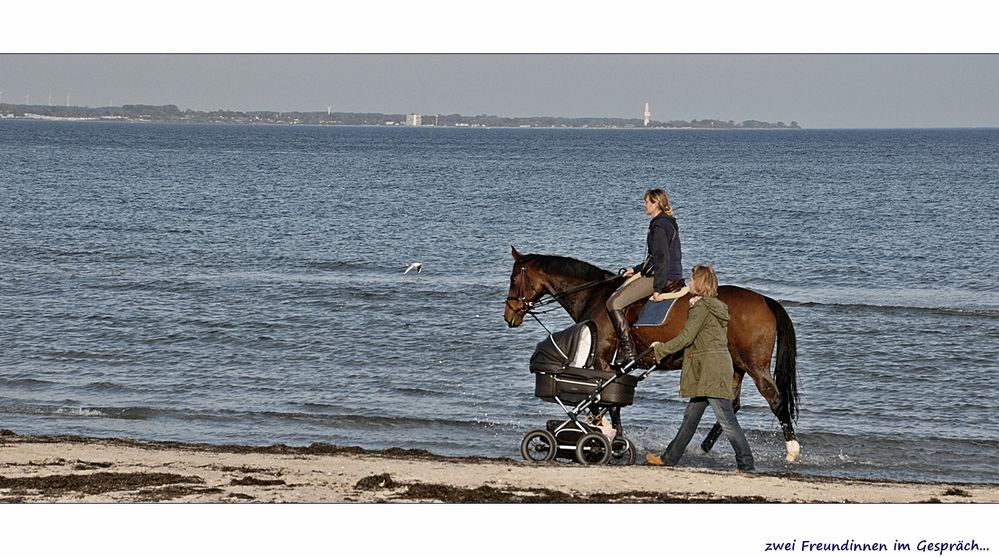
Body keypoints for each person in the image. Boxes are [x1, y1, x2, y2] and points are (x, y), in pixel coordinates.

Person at [646, 264, 755, 472]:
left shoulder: (701, 307)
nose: (688, 282)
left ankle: (746, 464)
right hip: (711, 368)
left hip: (710, 371)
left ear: (699, 283)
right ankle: (669, 459)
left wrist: (660, 349)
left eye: (691, 279)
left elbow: (686, 337)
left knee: (727, 420)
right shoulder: (712, 305)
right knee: (691, 417)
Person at [606, 188, 684, 365]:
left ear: (656, 203)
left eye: (647, 202)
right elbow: (656, 257)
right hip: (667, 272)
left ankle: (628, 351)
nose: (644, 205)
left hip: (663, 276)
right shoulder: (668, 222)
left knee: (613, 303)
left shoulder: (659, 225)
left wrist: (658, 288)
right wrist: (636, 269)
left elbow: (662, 259)